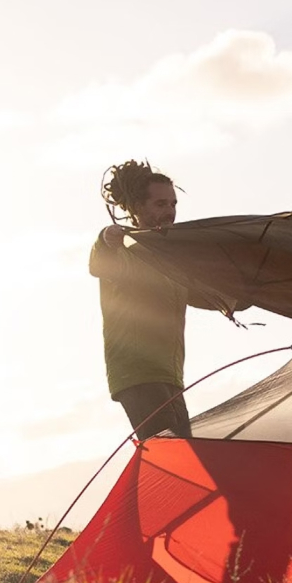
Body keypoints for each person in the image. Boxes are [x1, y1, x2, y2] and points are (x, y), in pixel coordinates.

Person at [91, 160, 196, 441]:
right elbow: (100, 263)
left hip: (170, 376)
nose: (170, 212)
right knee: (172, 454)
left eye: (173, 204)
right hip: (138, 374)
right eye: (160, 204)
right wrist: (106, 237)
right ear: (138, 208)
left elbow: (211, 294)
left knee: (185, 455)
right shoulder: (125, 253)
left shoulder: (171, 261)